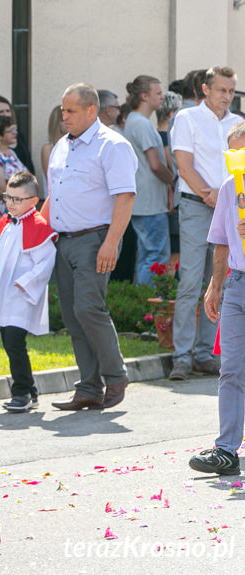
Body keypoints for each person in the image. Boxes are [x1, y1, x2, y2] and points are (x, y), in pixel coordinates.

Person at [42, 83, 138, 411]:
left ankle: (116, 376)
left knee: (87, 309)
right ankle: (88, 388)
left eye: (70, 111)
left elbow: (125, 196)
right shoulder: (61, 147)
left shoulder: (112, 146)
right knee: (72, 316)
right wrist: (36, 236)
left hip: (95, 239)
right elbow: (54, 195)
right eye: (63, 109)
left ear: (91, 111)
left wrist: (111, 243)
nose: (63, 116)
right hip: (63, 241)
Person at [168, 66, 239, 381]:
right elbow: (184, 165)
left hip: (234, 208)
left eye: (231, 91)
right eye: (221, 90)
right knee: (190, 281)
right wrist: (210, 195)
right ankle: (181, 358)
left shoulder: (239, 124)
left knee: (220, 280)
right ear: (206, 89)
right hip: (198, 205)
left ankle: (205, 353)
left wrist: (225, 200)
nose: (227, 96)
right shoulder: (186, 118)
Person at [0, 172, 57, 413]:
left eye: (17, 199)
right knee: (9, 341)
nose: (11, 203)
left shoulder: (39, 227)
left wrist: (26, 282)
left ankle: (21, 393)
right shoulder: (5, 224)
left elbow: (46, 261)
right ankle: (30, 391)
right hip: (3, 293)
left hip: (21, 295)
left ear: (33, 201)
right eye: (8, 197)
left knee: (14, 340)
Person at [188, 121, 245, 475]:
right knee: (231, 369)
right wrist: (216, 283)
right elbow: (222, 239)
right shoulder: (229, 188)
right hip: (238, 284)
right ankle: (226, 449)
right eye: (234, 151)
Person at [123, 75, 175, 285]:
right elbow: (154, 164)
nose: (162, 97)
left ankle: (144, 302)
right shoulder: (141, 123)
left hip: (146, 200)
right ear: (144, 96)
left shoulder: (138, 122)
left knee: (149, 255)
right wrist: (174, 182)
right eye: (158, 93)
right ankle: (148, 305)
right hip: (149, 202)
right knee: (155, 256)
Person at [158, 91, 184, 271]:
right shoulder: (166, 137)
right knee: (174, 253)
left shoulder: (155, 133)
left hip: (165, 201)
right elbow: (172, 167)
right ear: (171, 113)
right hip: (171, 201)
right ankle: (167, 288)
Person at [41, 104, 66, 185]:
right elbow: (49, 177)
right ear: (56, 123)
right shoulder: (48, 148)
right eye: (63, 120)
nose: (68, 123)